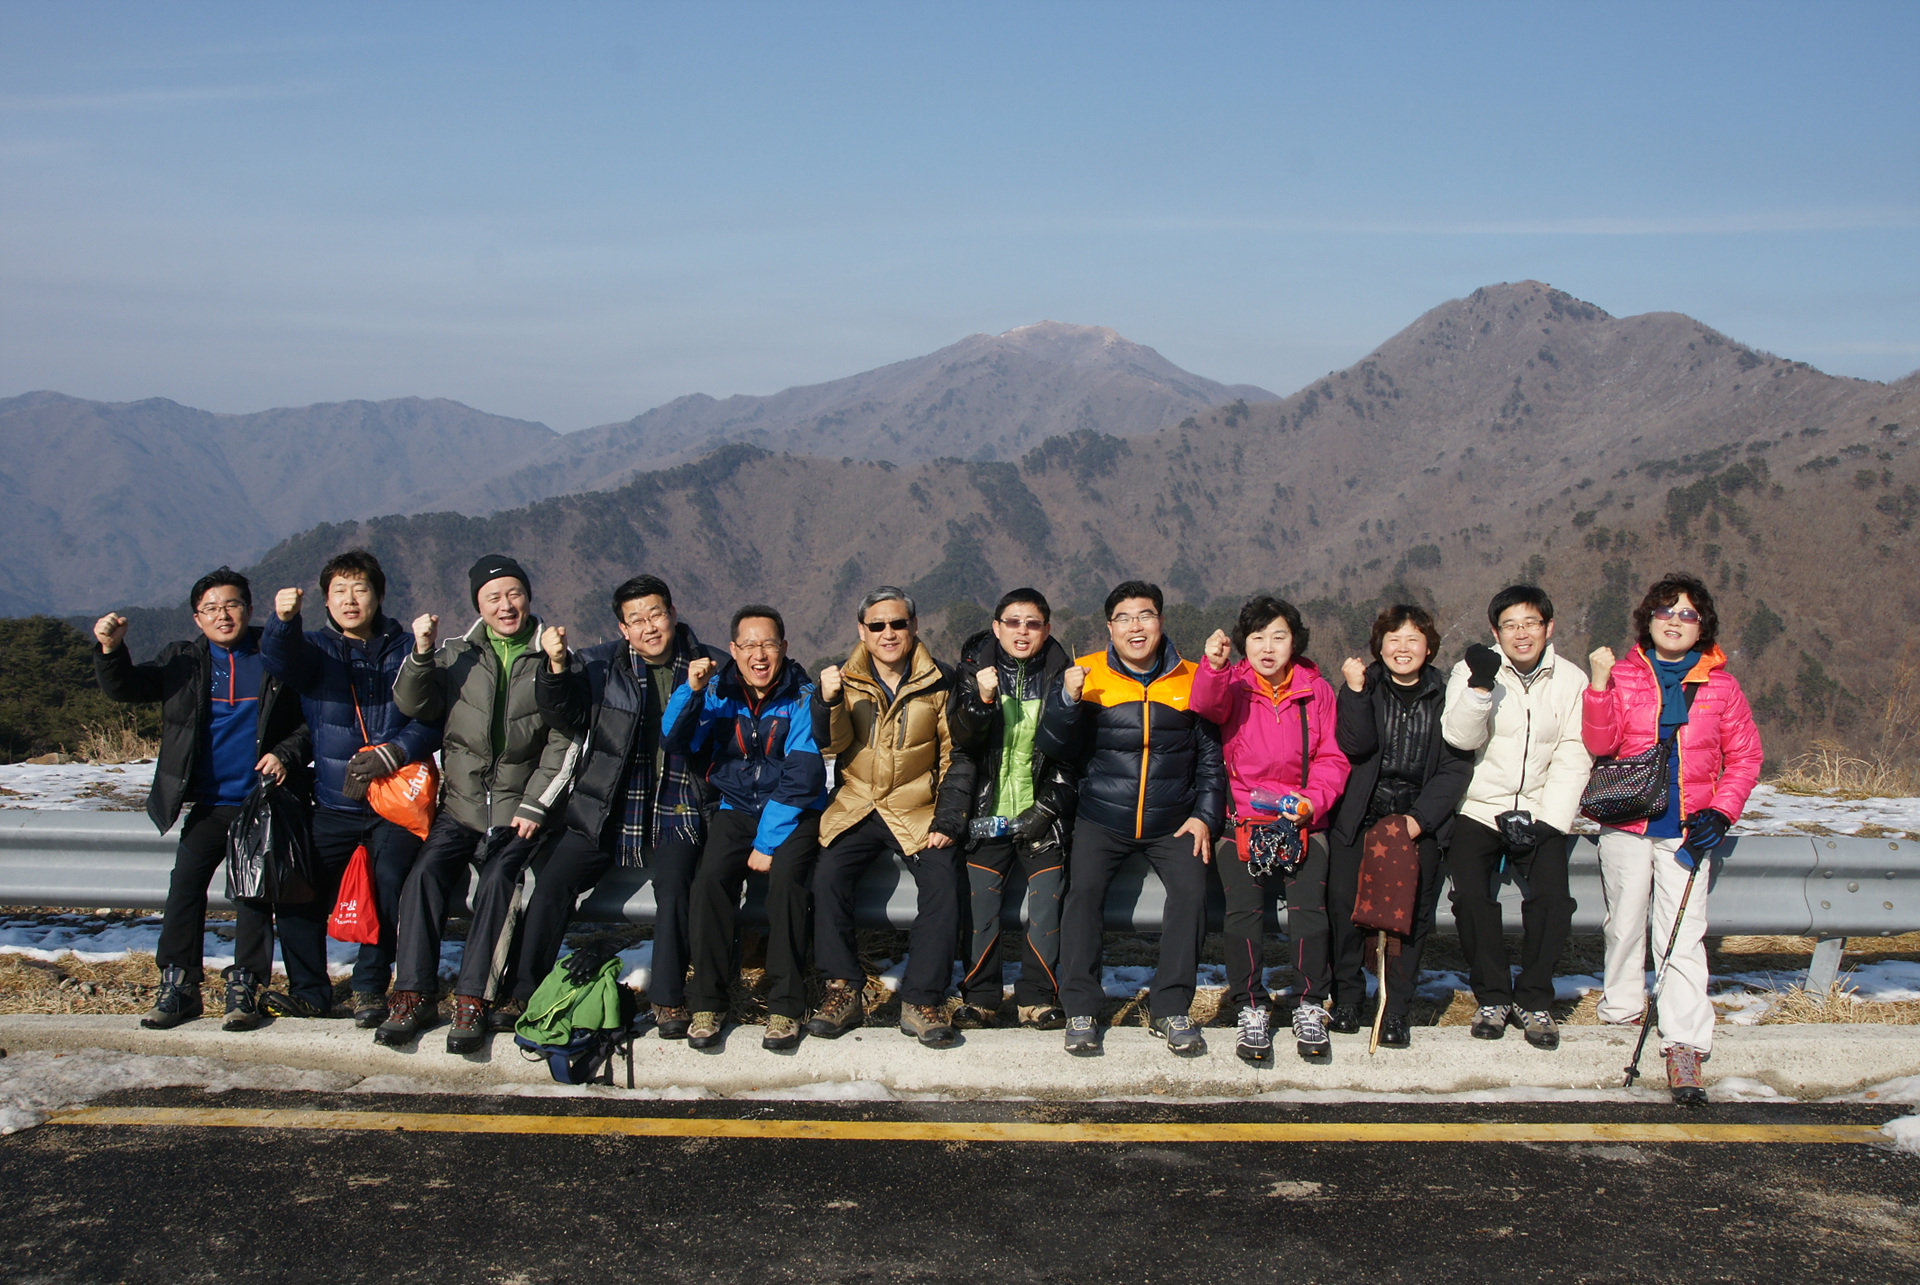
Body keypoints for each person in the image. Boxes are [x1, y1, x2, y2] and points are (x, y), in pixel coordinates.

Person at [94, 568, 310, 1032]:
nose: (222, 615)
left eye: (231, 605)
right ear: (197, 618)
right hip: (209, 805)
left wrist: (285, 754)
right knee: (184, 890)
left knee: (253, 895)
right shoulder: (182, 661)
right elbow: (128, 688)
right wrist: (111, 650)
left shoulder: (274, 656)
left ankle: (245, 988)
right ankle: (179, 987)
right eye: (210, 608)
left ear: (248, 609)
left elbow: (312, 719)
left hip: (260, 803)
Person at [382, 555, 580, 1052]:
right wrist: (420, 652)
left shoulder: (553, 655)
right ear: (478, 605)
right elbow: (412, 703)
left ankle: (473, 998)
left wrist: (536, 805)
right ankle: (411, 993)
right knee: (424, 875)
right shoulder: (455, 654)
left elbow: (567, 738)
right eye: (493, 598)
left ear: (528, 598)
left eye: (514, 594)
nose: (505, 605)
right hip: (461, 806)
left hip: (521, 810)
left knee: (499, 881)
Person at [1585, 574, 1762, 1105]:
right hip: (1627, 819)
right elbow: (1599, 742)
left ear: (1702, 625)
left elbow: (1745, 757)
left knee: (1681, 934)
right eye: (1666, 611)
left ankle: (1684, 1039)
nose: (1675, 621)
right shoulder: (1621, 674)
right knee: (1623, 924)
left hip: (1688, 826)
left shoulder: (1722, 686)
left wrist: (1722, 812)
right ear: (1648, 618)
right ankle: (1622, 1009)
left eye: (1688, 614)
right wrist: (1598, 686)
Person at [528, 576, 723, 1038]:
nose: (649, 627)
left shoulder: (713, 664)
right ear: (623, 628)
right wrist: (555, 668)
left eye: (656, 614)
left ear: (673, 614)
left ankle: (668, 1000)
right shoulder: (600, 666)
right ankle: (525, 991)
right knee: (552, 883)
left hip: (679, 804)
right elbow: (564, 714)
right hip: (611, 805)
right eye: (637, 620)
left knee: (675, 889)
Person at [1037, 580, 1225, 1057]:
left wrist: (1205, 816)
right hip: (1101, 816)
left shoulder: (1191, 677)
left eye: (1145, 615)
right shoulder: (1086, 673)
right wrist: (1066, 701)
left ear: (1161, 621)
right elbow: (1054, 745)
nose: (1135, 627)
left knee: (1192, 893)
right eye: (1124, 618)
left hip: (1174, 819)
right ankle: (1081, 1007)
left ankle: (1170, 1008)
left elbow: (1211, 759)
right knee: (1082, 893)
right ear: (1109, 627)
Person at [260, 550, 441, 1025]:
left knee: (387, 886)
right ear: (325, 600)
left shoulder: (408, 649)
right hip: (334, 803)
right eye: (339, 591)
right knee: (298, 888)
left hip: (394, 804)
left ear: (378, 595)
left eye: (360, 589)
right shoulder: (315, 650)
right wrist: (282, 622)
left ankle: (369, 989)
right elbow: (279, 660)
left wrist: (394, 752)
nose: (350, 599)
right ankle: (309, 991)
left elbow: (434, 718)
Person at [809, 587, 974, 1048]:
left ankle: (922, 998)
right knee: (827, 876)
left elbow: (956, 756)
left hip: (916, 807)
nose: (888, 633)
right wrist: (827, 702)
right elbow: (831, 744)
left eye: (898, 623)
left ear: (914, 626)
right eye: (877, 625)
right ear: (862, 631)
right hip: (858, 803)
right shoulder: (845, 679)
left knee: (943, 882)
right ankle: (842, 989)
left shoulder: (941, 680)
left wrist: (948, 819)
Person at [1190, 598, 1350, 1064]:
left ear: (1294, 642)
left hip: (1302, 818)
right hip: (1241, 819)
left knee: (1309, 913)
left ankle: (1309, 1004)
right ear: (1244, 643)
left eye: (1278, 637)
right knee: (1242, 914)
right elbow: (1206, 704)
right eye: (1257, 637)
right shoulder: (1234, 684)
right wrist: (1214, 666)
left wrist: (1311, 801)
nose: (1267, 647)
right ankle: (1250, 1007)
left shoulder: (1316, 691)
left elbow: (1332, 757)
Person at [667, 604, 828, 1052]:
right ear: (733, 649)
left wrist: (766, 841)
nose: (760, 654)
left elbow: (803, 776)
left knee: (787, 884)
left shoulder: (803, 697)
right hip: (735, 806)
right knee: (708, 883)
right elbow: (676, 740)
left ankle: (786, 1005)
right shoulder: (717, 693)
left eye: (769, 644)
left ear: (784, 647)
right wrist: (691, 692)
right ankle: (708, 1002)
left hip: (793, 811)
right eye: (750, 645)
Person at [1441, 584, 1592, 1050]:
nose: (1521, 633)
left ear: (1549, 627)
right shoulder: (1471, 669)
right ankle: (1492, 996)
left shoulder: (1571, 680)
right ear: (1495, 631)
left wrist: (1551, 818)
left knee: (1553, 901)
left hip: (1540, 807)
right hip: (1479, 807)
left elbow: (1574, 751)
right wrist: (1480, 687)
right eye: (1510, 625)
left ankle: (1534, 999)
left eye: (1530, 623)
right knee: (1470, 897)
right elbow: (1460, 738)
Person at [1328, 604, 1473, 1050]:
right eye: (1393, 639)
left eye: (1413, 639)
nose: (1402, 648)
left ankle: (1395, 1009)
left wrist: (1418, 821)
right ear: (1379, 646)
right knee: (1343, 903)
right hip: (1361, 816)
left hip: (1417, 821)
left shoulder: (1446, 695)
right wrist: (1355, 693)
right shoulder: (1363, 687)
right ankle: (1347, 999)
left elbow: (1455, 767)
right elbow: (1355, 746)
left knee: (1412, 915)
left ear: (1429, 647)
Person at [947, 588, 1078, 1030]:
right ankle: (980, 998)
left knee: (1046, 908)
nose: (1023, 631)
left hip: (1043, 815)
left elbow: (1072, 759)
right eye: (1013, 622)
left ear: (1047, 629)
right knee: (980, 909)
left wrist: (1044, 810)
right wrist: (983, 699)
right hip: (987, 814)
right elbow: (963, 740)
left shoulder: (1063, 677)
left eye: (1033, 623)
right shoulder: (972, 672)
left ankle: (1037, 999)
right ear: (996, 627)